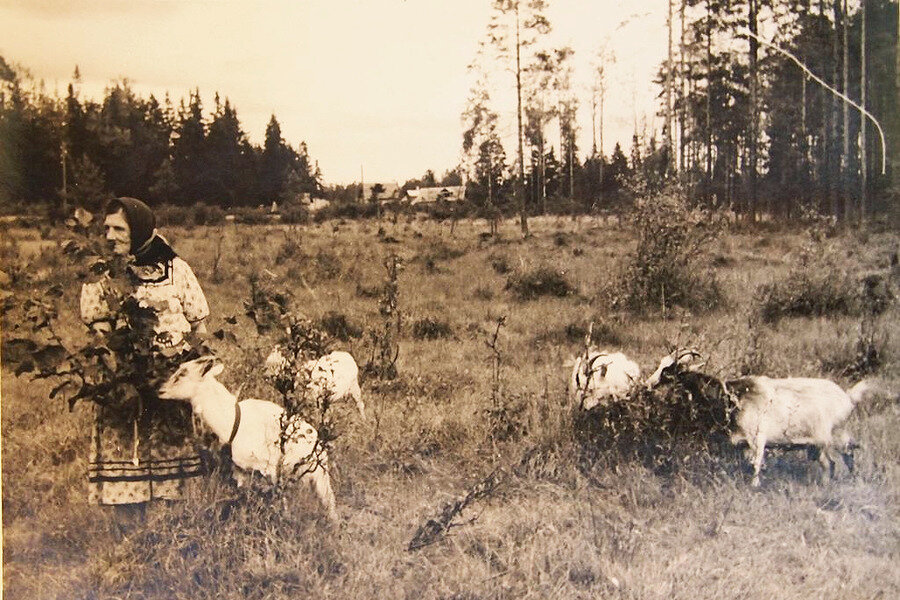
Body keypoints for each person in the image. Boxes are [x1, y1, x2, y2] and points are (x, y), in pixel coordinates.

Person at [79, 197, 209, 507]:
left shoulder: (176, 269)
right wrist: (119, 380)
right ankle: (131, 534)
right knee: (127, 457)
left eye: (119, 229)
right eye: (106, 228)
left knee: (174, 465)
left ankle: (173, 532)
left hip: (171, 386)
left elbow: (199, 326)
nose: (110, 236)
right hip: (124, 387)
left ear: (139, 229)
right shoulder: (102, 275)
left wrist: (191, 369)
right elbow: (100, 335)